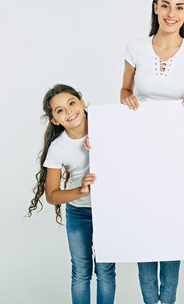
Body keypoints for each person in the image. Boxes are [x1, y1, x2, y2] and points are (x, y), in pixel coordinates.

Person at [120, 0, 184, 304]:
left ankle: (167, 300)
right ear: (156, 7)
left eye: (179, 7)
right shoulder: (135, 48)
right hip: (140, 149)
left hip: (179, 152)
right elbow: (125, 91)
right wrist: (128, 99)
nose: (172, 13)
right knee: (145, 225)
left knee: (171, 228)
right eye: (166, 5)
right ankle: (148, 300)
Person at [27, 84, 116, 304]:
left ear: (82, 102)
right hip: (78, 213)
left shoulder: (105, 127)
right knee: (81, 271)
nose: (68, 111)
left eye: (71, 103)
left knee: (105, 270)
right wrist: (80, 191)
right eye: (59, 110)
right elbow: (52, 195)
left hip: (108, 210)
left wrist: (103, 145)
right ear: (55, 120)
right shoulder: (58, 148)